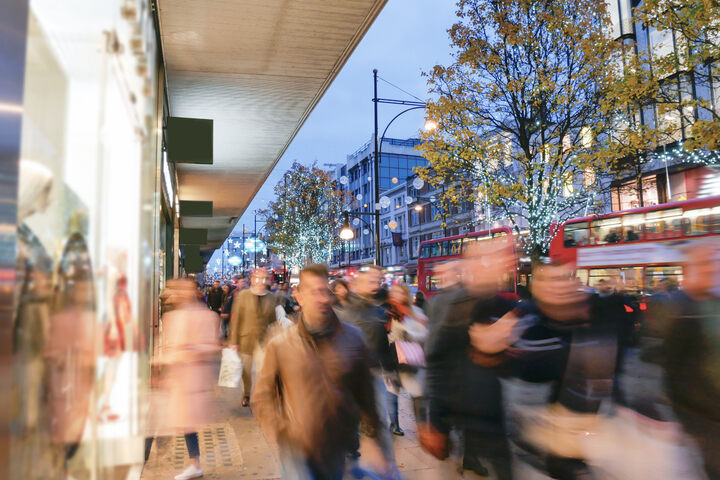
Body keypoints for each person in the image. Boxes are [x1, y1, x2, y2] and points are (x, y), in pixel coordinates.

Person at [252, 264, 393, 480]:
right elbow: (262, 397)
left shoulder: (353, 339)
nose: (322, 298)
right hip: (297, 452)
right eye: (314, 292)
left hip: (338, 447)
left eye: (325, 291)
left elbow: (366, 394)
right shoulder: (280, 345)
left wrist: (375, 440)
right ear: (299, 296)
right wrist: (283, 431)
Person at [422, 240, 517, 479]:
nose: (501, 264)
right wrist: (434, 422)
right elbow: (436, 361)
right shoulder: (456, 306)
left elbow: (525, 365)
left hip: (492, 416)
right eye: (490, 259)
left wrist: (503, 355)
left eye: (502, 259)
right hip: (456, 413)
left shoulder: (505, 306)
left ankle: (471, 461)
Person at [662, 242, 720, 479]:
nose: (712, 268)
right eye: (704, 263)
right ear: (690, 269)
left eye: (714, 261)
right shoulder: (680, 309)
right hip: (707, 416)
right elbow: (672, 369)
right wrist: (689, 419)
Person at [156, 278, 220, 480]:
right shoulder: (171, 317)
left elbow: (212, 346)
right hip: (177, 379)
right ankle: (194, 464)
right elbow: (165, 346)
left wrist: (190, 350)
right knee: (183, 424)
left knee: (187, 423)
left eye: (181, 289)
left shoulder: (206, 316)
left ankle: (195, 465)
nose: (176, 293)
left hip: (193, 380)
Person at [228, 269, 278, 407]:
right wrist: (233, 341)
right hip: (246, 339)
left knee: (264, 370)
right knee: (246, 371)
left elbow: (273, 321)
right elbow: (237, 319)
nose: (261, 282)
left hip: (263, 340)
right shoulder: (243, 296)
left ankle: (262, 394)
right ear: (252, 279)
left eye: (264, 279)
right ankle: (247, 394)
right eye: (258, 278)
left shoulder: (271, 297)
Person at [386, 283, 428, 436]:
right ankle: (394, 424)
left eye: (400, 292)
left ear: (405, 295)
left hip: (410, 357)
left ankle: (422, 426)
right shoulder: (388, 312)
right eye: (394, 292)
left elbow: (424, 333)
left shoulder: (415, 311)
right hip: (392, 358)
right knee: (392, 391)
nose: (397, 295)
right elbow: (386, 335)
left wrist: (410, 333)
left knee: (417, 392)